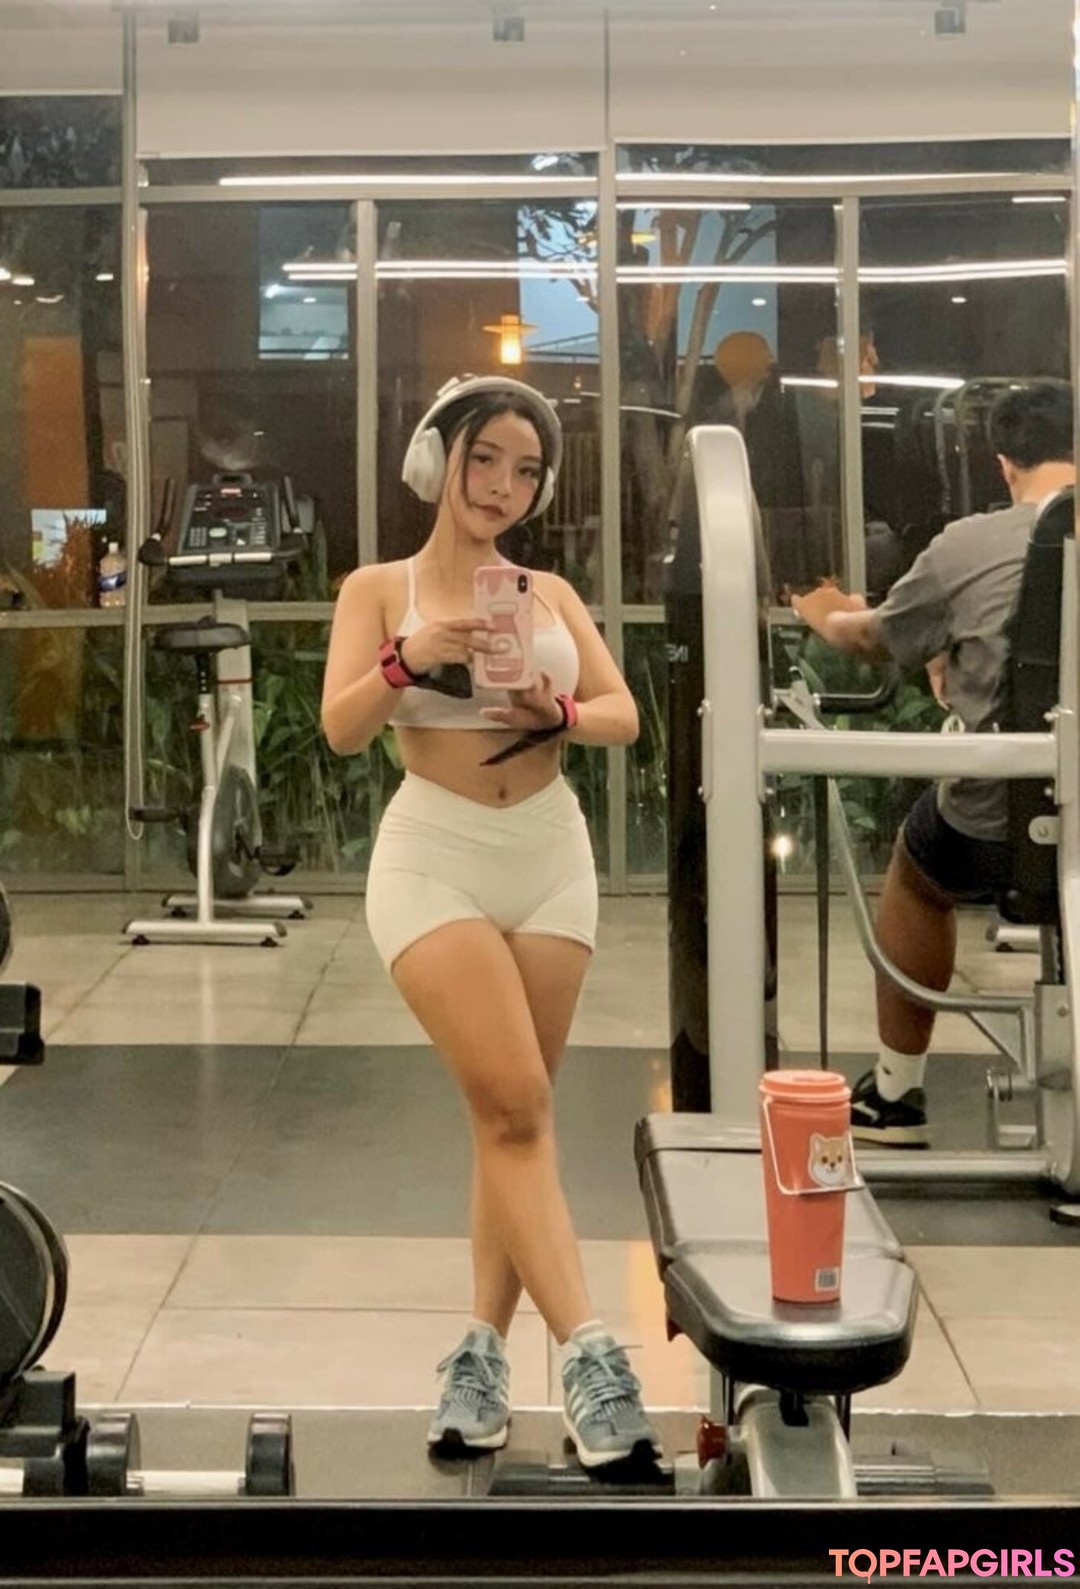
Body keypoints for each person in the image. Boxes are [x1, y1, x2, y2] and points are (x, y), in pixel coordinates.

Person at [321, 374, 661, 1469]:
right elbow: (340, 727)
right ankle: (593, 1354)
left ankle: (478, 1355)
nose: (502, 485)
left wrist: (556, 709)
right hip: (434, 856)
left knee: (508, 1119)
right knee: (515, 1106)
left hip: (551, 855)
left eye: (525, 470)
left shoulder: (547, 592)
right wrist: (410, 657)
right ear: (437, 458)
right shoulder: (377, 589)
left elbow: (622, 714)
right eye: (484, 459)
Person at [791, 382, 1075, 1147]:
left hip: (1004, 820)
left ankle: (895, 1093)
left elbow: (873, 638)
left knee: (919, 869)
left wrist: (824, 611)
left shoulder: (968, 546)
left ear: (1004, 462)